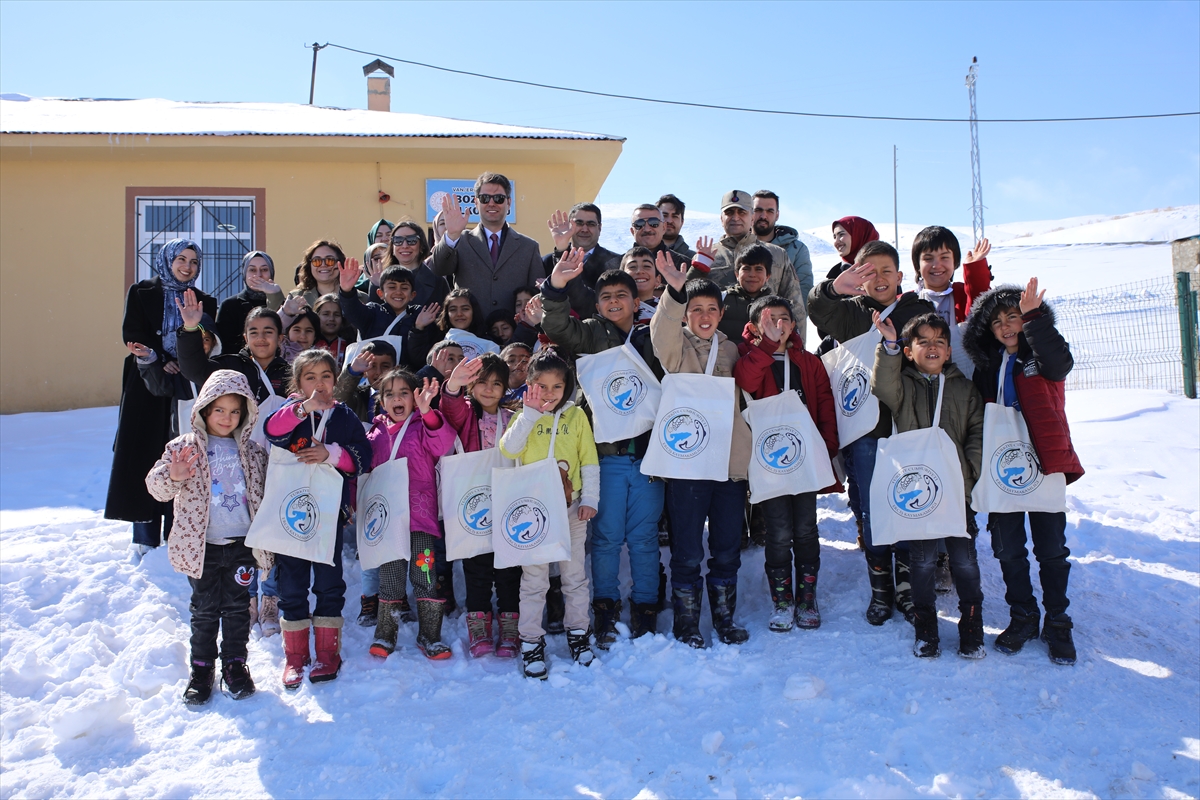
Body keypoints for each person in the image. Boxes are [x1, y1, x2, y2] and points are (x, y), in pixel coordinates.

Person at [541, 254, 666, 646]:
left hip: (647, 456)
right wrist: (557, 289)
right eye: (606, 296)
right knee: (607, 537)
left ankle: (646, 605)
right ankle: (605, 605)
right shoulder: (591, 333)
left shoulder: (651, 336)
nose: (614, 302)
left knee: (644, 537)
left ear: (636, 301)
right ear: (597, 305)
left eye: (621, 296)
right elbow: (557, 325)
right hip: (606, 455)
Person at [806, 240, 934, 626]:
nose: (877, 279)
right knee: (872, 512)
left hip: (906, 427)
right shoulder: (851, 313)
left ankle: (908, 589)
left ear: (899, 276)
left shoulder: (918, 311)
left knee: (907, 506)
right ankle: (881, 591)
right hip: (863, 431)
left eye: (884, 271)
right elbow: (817, 308)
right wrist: (832, 288)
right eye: (867, 272)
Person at [962, 279, 1084, 665]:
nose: (1006, 326)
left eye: (1012, 316)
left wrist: (1033, 317)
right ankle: (1023, 615)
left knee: (1052, 550)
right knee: (1008, 549)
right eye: (997, 322)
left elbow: (1061, 362)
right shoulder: (988, 367)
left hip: (1045, 463)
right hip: (1001, 467)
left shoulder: (1041, 357)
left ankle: (1058, 622)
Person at [146, 370, 269, 704]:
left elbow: (270, 493)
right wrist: (173, 475)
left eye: (234, 411)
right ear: (203, 410)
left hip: (242, 546)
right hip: (202, 548)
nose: (227, 418)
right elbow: (155, 488)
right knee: (204, 610)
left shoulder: (255, 453)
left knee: (237, 609)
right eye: (219, 410)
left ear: (245, 414)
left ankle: (235, 664)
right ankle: (201, 669)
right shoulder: (183, 448)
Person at [650, 251, 753, 648]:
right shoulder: (677, 349)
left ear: (722, 311)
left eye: (712, 309)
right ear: (686, 314)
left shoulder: (731, 350)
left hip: (728, 466)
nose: (705, 316)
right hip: (688, 466)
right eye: (696, 309)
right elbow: (661, 333)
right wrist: (675, 293)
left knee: (727, 547)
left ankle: (725, 618)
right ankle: (686, 623)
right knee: (688, 550)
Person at [871, 311, 986, 658]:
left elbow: (978, 434)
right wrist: (889, 347)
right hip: (919, 496)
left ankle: (972, 628)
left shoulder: (965, 389)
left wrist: (967, 474)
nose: (933, 348)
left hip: (956, 491)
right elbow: (882, 385)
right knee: (921, 562)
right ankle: (926, 630)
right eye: (923, 342)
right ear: (910, 351)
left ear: (949, 351)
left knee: (964, 562)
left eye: (940, 342)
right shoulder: (903, 386)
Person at [264, 349, 372, 688]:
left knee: (328, 582)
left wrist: (331, 454)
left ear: (335, 380)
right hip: (291, 515)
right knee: (291, 584)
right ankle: (295, 657)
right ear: (297, 384)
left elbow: (362, 458)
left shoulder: (344, 417)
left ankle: (328, 653)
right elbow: (272, 430)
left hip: (328, 515)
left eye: (325, 376)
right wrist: (304, 408)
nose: (319, 383)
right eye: (310, 377)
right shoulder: (290, 412)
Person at [733, 295, 839, 632]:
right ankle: (782, 599)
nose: (778, 325)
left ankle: (807, 597)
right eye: (769, 319)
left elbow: (824, 402)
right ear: (754, 326)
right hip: (769, 461)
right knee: (778, 531)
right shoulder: (749, 356)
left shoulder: (808, 362)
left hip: (805, 457)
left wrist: (827, 445)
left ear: (794, 325)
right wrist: (765, 346)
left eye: (784, 319)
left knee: (806, 527)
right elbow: (746, 381)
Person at [107, 239, 217, 558]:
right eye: (181, 259)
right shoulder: (142, 292)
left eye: (194, 261)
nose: (188, 266)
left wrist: (184, 358)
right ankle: (143, 538)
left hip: (186, 384)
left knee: (181, 455)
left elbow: (207, 337)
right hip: (146, 382)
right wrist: (158, 358)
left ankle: (175, 533)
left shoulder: (204, 300)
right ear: (167, 260)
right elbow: (133, 333)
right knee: (145, 453)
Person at [499, 349, 600, 679]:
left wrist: (591, 500)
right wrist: (528, 415)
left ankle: (578, 635)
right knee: (534, 580)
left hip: (571, 511)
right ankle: (530, 641)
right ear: (529, 386)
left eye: (558, 386)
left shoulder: (577, 417)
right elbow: (509, 449)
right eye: (542, 386)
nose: (550, 393)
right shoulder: (523, 417)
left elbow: (589, 461)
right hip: (535, 514)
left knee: (574, 578)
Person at [365, 369, 458, 659]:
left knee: (426, 575)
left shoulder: (422, 426)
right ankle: (385, 635)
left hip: (420, 517)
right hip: (388, 520)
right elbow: (364, 471)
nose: (397, 398)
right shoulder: (375, 434)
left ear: (414, 396)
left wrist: (428, 412)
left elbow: (443, 444)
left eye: (403, 392)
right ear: (381, 401)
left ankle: (430, 636)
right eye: (389, 393)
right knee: (390, 577)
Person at [440, 355, 522, 658]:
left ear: (505, 389)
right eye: (482, 382)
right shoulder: (465, 415)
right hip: (472, 502)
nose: (489, 389)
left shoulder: (511, 419)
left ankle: (510, 624)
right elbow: (450, 407)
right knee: (476, 566)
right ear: (472, 385)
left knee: (509, 567)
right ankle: (479, 623)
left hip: (505, 499)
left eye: (497, 383)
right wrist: (453, 386)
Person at [689, 191, 807, 327]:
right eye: (729, 213)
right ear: (721, 218)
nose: (735, 217)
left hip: (767, 342)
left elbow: (795, 306)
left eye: (742, 212)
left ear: (752, 218)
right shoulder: (707, 255)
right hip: (719, 343)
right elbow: (689, 302)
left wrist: (797, 345)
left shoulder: (777, 254)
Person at [432, 173, 544, 312]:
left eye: (498, 198)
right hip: (469, 330)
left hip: (513, 330)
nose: (491, 203)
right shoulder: (460, 240)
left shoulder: (529, 247)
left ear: (509, 202)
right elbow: (439, 270)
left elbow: (537, 295)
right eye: (485, 198)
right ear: (476, 202)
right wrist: (452, 235)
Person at [911, 227, 993, 380]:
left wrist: (974, 269)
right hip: (920, 388)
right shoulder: (908, 301)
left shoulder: (962, 294)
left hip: (965, 386)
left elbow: (980, 299)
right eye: (928, 258)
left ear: (955, 261)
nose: (937, 265)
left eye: (944, 257)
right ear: (917, 264)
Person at [177, 300, 291, 407]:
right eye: (254, 333)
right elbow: (195, 371)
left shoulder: (290, 375)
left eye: (268, 332)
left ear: (280, 338)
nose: (261, 338)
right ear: (246, 338)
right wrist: (190, 328)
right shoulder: (229, 368)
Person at [542, 203, 622, 317]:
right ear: (570, 226)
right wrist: (562, 248)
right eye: (579, 223)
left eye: (591, 224)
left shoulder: (617, 263)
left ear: (599, 228)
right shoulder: (547, 262)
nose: (585, 229)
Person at [751, 190, 815, 310]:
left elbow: (803, 292)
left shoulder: (796, 250)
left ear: (777, 215)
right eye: (758, 210)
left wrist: (789, 323)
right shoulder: (738, 246)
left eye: (770, 211)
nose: (763, 216)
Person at [215, 251, 284, 354]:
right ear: (244, 273)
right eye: (252, 270)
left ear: (271, 273)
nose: (258, 275)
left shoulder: (284, 303)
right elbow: (225, 346)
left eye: (264, 269)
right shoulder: (230, 306)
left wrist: (275, 295)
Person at [377, 219, 450, 308]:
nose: (404, 245)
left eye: (411, 240)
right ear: (392, 247)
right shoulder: (379, 279)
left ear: (421, 246)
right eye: (398, 240)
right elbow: (370, 318)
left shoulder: (438, 282)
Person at [716, 243, 775, 342]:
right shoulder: (721, 299)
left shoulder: (776, 305)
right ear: (737, 274)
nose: (752, 274)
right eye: (746, 269)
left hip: (762, 357)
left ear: (768, 276)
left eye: (758, 269)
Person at [604, 205, 689, 273]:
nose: (647, 229)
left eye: (654, 223)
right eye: (639, 224)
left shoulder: (683, 265)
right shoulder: (614, 266)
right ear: (632, 231)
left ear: (664, 227)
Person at [335, 340, 397, 423]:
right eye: (372, 366)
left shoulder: (404, 396)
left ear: (395, 370)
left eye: (385, 366)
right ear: (364, 372)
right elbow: (338, 396)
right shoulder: (358, 397)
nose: (378, 372)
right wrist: (353, 371)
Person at [621, 246, 662, 322]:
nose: (640, 271)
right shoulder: (615, 308)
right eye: (632, 267)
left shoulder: (669, 307)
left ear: (657, 280)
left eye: (647, 266)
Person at [311, 294, 349, 369]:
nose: (331, 318)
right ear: (316, 316)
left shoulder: (348, 347)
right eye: (326, 314)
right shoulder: (308, 344)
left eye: (336, 314)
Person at [657, 194, 695, 260]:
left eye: (675, 216)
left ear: (682, 222)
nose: (669, 221)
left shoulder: (693, 259)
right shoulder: (642, 256)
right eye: (664, 215)